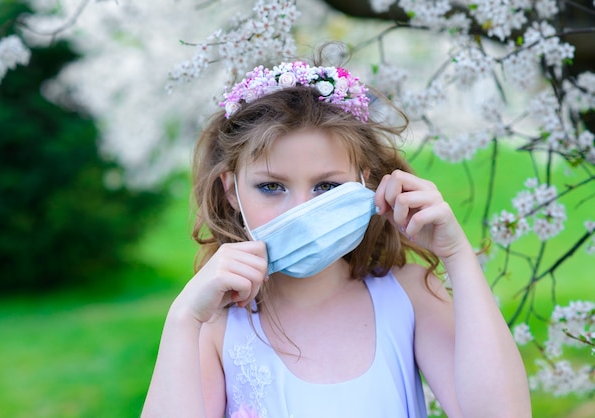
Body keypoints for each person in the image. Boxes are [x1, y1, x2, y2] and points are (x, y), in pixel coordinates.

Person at [142, 59, 531, 417]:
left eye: (326, 187)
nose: (299, 211)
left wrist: (457, 255)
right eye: (272, 187)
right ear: (232, 190)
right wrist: (182, 318)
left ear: (365, 181)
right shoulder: (216, 327)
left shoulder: (409, 297)